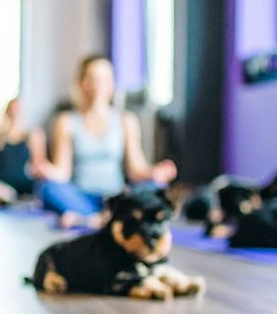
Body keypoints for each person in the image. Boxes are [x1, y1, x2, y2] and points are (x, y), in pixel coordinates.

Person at [34, 55, 176, 228]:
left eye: (105, 79)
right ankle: (107, 218)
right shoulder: (66, 122)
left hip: (116, 197)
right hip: (81, 195)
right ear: (82, 83)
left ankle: (92, 218)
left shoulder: (126, 120)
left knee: (155, 186)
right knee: (47, 189)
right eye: (93, 79)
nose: (99, 84)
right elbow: (62, 173)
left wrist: (155, 172)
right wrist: (45, 170)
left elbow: (135, 170)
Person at [0, 98, 48, 204]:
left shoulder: (32, 136)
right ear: (7, 112)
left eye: (18, 109)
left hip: (24, 184)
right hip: (3, 184)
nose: (15, 112)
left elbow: (39, 164)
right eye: (13, 109)